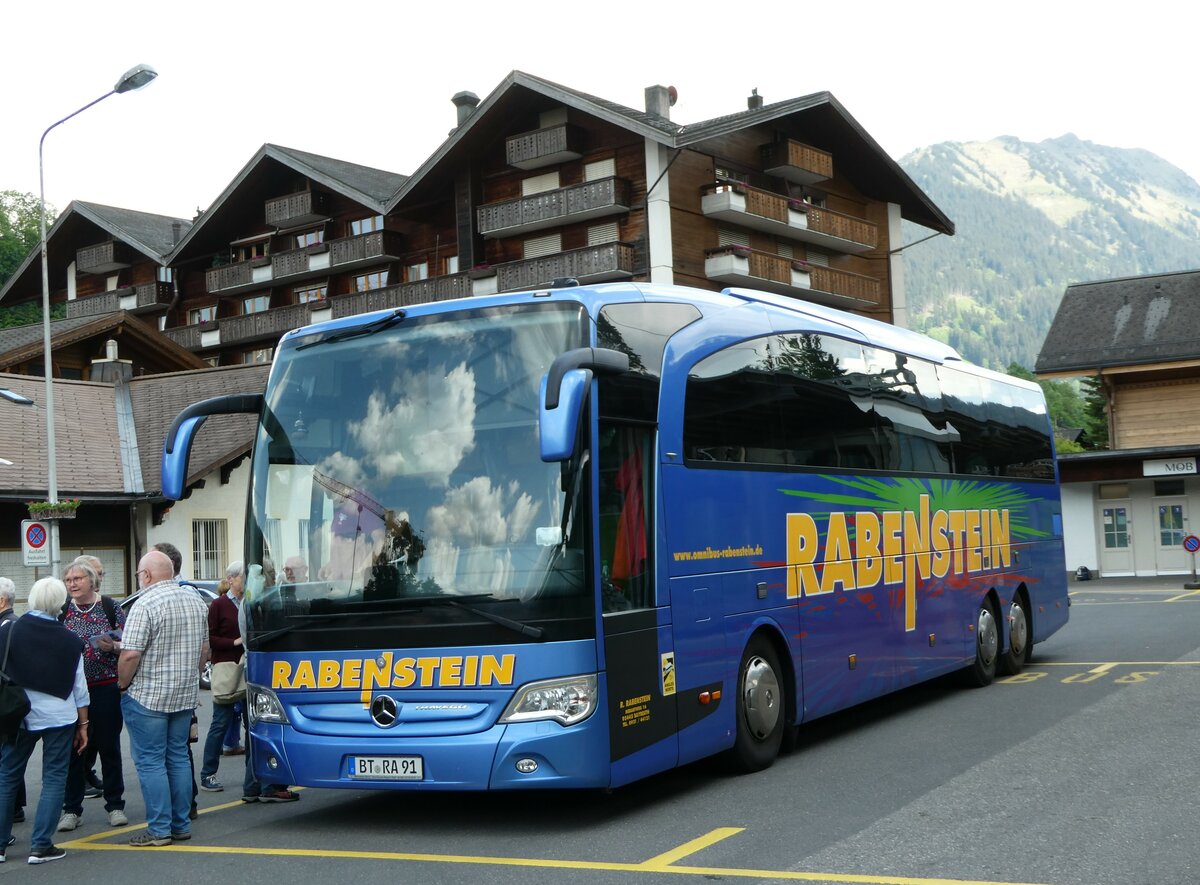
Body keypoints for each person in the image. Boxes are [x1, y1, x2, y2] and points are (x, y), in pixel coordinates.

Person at [118, 550, 207, 847]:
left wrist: (122, 684)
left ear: (146, 575)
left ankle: (159, 829)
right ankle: (180, 824)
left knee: (151, 762)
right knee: (178, 757)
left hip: (148, 695)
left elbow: (130, 653)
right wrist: (192, 677)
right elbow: (204, 649)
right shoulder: (194, 599)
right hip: (183, 693)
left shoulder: (144, 604)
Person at [0, 577, 90, 865]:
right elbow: (80, 688)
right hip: (60, 716)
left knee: (7, 774)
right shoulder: (71, 639)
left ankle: (0, 846)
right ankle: (41, 846)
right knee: (54, 778)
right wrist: (83, 725)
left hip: (19, 713)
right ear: (61, 603)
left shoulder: (11, 630)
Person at [56, 558, 127, 833]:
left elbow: (130, 643)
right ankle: (71, 810)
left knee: (109, 747)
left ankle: (115, 805)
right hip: (72, 692)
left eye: (77, 579)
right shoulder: (62, 611)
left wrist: (114, 647)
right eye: (68, 580)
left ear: (91, 581)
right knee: (74, 751)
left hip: (105, 687)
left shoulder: (110, 607)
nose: (72, 584)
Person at [152, 541, 202, 819]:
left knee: (162, 754)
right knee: (180, 751)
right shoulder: (192, 596)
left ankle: (174, 810)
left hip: (160, 688)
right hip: (185, 685)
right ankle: (187, 806)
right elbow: (203, 647)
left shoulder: (164, 597)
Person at [198, 562, 246, 792]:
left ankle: (256, 777)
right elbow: (211, 638)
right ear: (231, 579)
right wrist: (235, 642)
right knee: (220, 722)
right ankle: (208, 774)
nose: (245, 581)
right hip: (226, 668)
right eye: (243, 577)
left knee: (253, 724)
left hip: (249, 669)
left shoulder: (250, 603)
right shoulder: (218, 605)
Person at [0, 579, 26, 825]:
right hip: (11, 698)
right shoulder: (15, 623)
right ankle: (15, 806)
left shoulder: (6, 625)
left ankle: (11, 809)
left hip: (5, 699)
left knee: (6, 756)